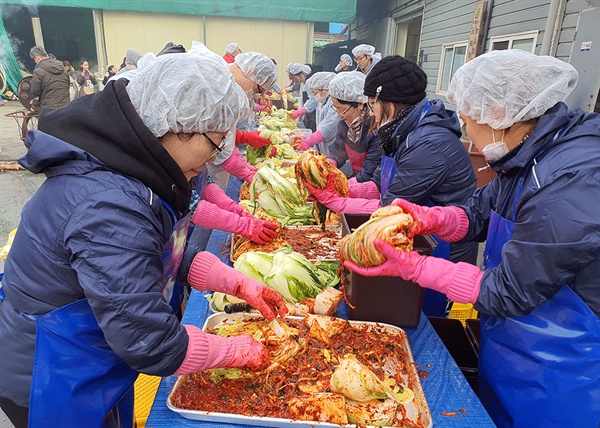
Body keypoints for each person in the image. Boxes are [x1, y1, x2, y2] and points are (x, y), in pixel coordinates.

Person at [0, 45, 287, 428]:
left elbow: (158, 252)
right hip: (52, 367)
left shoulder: (135, 169)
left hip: (96, 348)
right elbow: (147, 340)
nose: (214, 159)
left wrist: (235, 282)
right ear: (181, 125)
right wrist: (234, 350)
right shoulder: (109, 202)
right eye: (216, 142)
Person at [344, 49, 600, 427]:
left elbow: (508, 291)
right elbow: (478, 213)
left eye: (469, 122)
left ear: (499, 114)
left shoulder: (570, 180)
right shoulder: (529, 152)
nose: (471, 139)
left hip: (561, 372)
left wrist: (416, 267)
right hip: (512, 348)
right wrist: (429, 218)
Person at [301, 55, 478, 270]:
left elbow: (391, 206)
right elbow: (378, 185)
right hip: (414, 235)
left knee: (428, 303)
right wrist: (341, 188)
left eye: (372, 105)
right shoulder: (401, 130)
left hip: (441, 249)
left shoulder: (429, 145)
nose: (372, 114)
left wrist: (339, 203)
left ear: (390, 103)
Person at [327, 71, 381, 181]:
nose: (339, 115)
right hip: (355, 179)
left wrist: (346, 186)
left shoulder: (375, 130)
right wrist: (328, 164)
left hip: (369, 185)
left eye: (342, 110)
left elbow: (369, 173)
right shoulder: (345, 125)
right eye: (336, 109)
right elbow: (338, 151)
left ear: (360, 104)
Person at [296, 72, 340, 158]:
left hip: (334, 149)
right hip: (323, 147)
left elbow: (328, 128)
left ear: (325, 89)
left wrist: (308, 141)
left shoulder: (334, 104)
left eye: (315, 93)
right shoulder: (322, 102)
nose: (315, 96)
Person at [288, 63, 317, 131]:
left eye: (296, 78)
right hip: (308, 113)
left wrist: (302, 110)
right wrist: (301, 110)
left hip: (313, 113)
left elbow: (313, 100)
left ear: (302, 74)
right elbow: (302, 98)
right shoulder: (303, 83)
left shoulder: (310, 82)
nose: (297, 80)